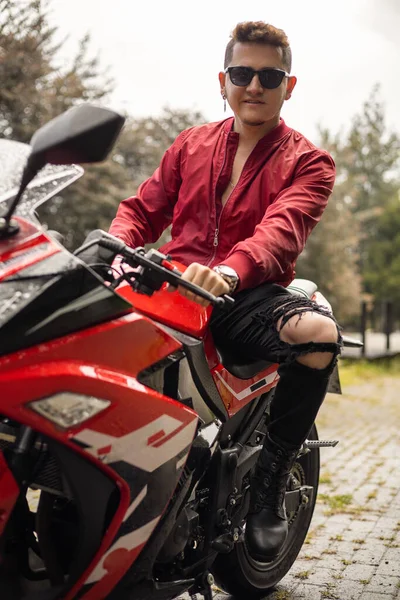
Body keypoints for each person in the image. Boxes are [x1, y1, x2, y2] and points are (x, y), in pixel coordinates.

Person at [109, 21, 342, 562]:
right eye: (242, 73)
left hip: (247, 295)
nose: (254, 85)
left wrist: (232, 272)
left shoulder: (310, 161)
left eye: (269, 75)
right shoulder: (190, 143)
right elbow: (143, 210)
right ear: (223, 80)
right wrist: (118, 247)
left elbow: (281, 229)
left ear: (290, 85)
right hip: (172, 283)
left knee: (318, 335)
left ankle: (268, 487)